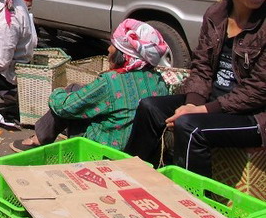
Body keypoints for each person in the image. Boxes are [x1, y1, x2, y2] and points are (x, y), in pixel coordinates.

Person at [125, 0, 266, 178]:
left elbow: (258, 91)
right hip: (214, 101)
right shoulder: (216, 16)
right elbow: (201, 68)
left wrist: (200, 111)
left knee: (190, 127)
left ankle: (194, 201)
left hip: (254, 115)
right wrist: (192, 105)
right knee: (149, 107)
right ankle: (135, 175)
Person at [11, 19, 170, 152]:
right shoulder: (159, 81)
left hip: (107, 151)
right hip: (141, 150)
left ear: (125, 55)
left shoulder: (111, 81)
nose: (108, 49)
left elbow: (64, 107)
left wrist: (56, 93)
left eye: (113, 46)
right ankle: (41, 137)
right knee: (77, 91)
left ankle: (39, 139)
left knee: (69, 98)